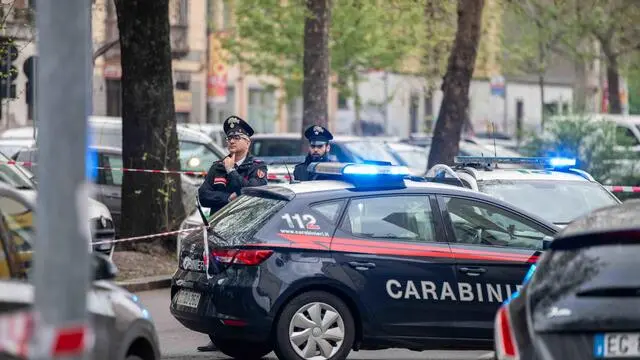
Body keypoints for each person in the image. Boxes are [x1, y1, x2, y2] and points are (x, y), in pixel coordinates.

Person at [195, 115, 267, 352]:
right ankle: (215, 335)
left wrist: (233, 173)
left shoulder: (256, 167)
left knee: (236, 283)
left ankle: (239, 334)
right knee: (212, 282)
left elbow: (253, 194)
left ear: (248, 142)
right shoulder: (217, 165)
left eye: (237, 137)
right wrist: (228, 198)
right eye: (229, 138)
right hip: (218, 231)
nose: (231, 141)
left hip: (244, 233)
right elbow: (204, 196)